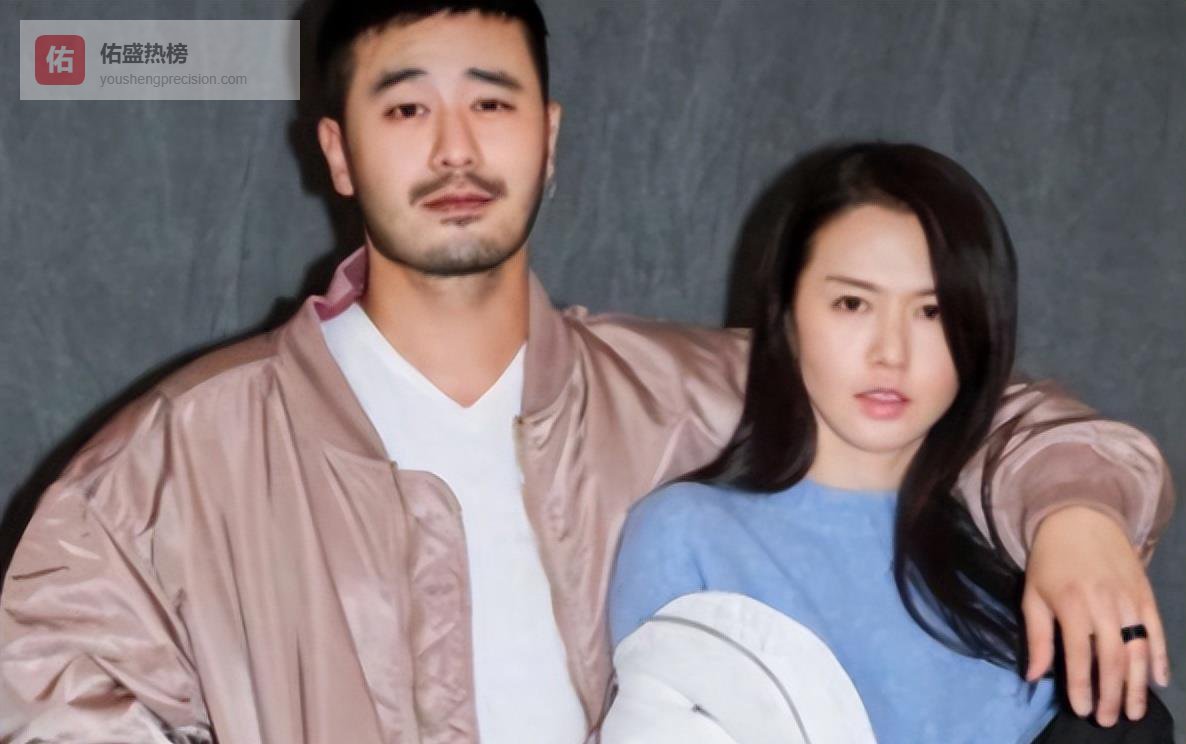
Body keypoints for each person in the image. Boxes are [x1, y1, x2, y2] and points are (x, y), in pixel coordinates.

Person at [0, 3, 1173, 742]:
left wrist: (1074, 511)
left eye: (491, 101)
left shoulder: (686, 396)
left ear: (550, 138)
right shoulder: (188, 451)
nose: (455, 148)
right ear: (338, 152)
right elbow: (49, 687)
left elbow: (965, 401)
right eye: (405, 107)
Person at [606, 143, 1176, 743]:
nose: (891, 352)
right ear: (787, 316)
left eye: (931, 312)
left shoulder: (1013, 536)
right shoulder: (688, 533)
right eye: (852, 303)